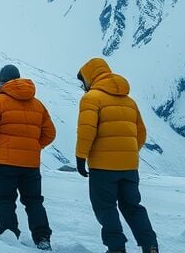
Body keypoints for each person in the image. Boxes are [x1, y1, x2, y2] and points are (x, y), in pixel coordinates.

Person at [74, 57, 158, 253]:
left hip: (103, 168)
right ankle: (150, 245)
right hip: (129, 167)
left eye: (83, 81)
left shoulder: (91, 98)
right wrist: (128, 153)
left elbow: (87, 131)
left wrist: (80, 157)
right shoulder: (130, 101)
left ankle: (116, 248)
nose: (83, 85)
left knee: (106, 207)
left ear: (90, 77)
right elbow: (141, 132)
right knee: (133, 206)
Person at [0, 64, 56, 249]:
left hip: (4, 164)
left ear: (1, 81)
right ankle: (43, 238)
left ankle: (10, 238)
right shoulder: (37, 104)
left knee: (5, 200)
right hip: (31, 165)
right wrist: (34, 147)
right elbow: (50, 133)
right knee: (34, 201)